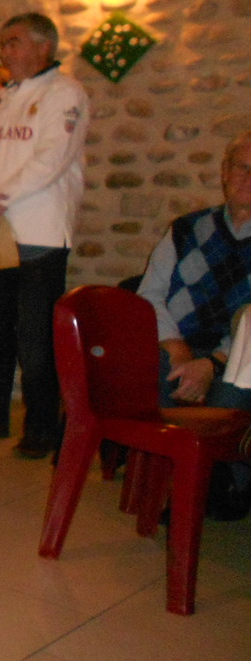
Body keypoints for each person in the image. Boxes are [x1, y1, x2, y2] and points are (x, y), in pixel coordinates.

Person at [0, 12, 90, 458]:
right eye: (3, 43)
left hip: (39, 234)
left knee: (36, 338)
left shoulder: (65, 93)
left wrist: (0, 198)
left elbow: (52, 158)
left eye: (13, 42)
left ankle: (41, 428)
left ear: (43, 46)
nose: (5, 51)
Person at [138, 132, 251, 518]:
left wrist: (213, 363)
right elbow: (149, 294)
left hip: (237, 357)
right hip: (181, 345)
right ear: (224, 173)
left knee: (233, 388)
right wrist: (176, 348)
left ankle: (225, 485)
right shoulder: (186, 230)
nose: (248, 178)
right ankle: (164, 478)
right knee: (155, 368)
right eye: (242, 168)